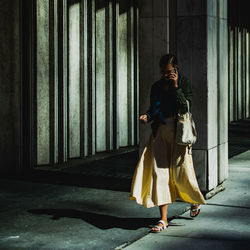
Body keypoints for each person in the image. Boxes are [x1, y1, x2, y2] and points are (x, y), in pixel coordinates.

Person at [129, 54, 207, 233]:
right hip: (161, 133)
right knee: (160, 175)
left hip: (179, 133)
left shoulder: (184, 83)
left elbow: (185, 108)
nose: (166, 75)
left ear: (176, 69)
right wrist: (147, 116)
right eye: (163, 72)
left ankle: (194, 200)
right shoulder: (156, 86)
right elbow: (153, 109)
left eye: (169, 72)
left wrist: (176, 86)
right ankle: (163, 219)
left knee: (181, 173)